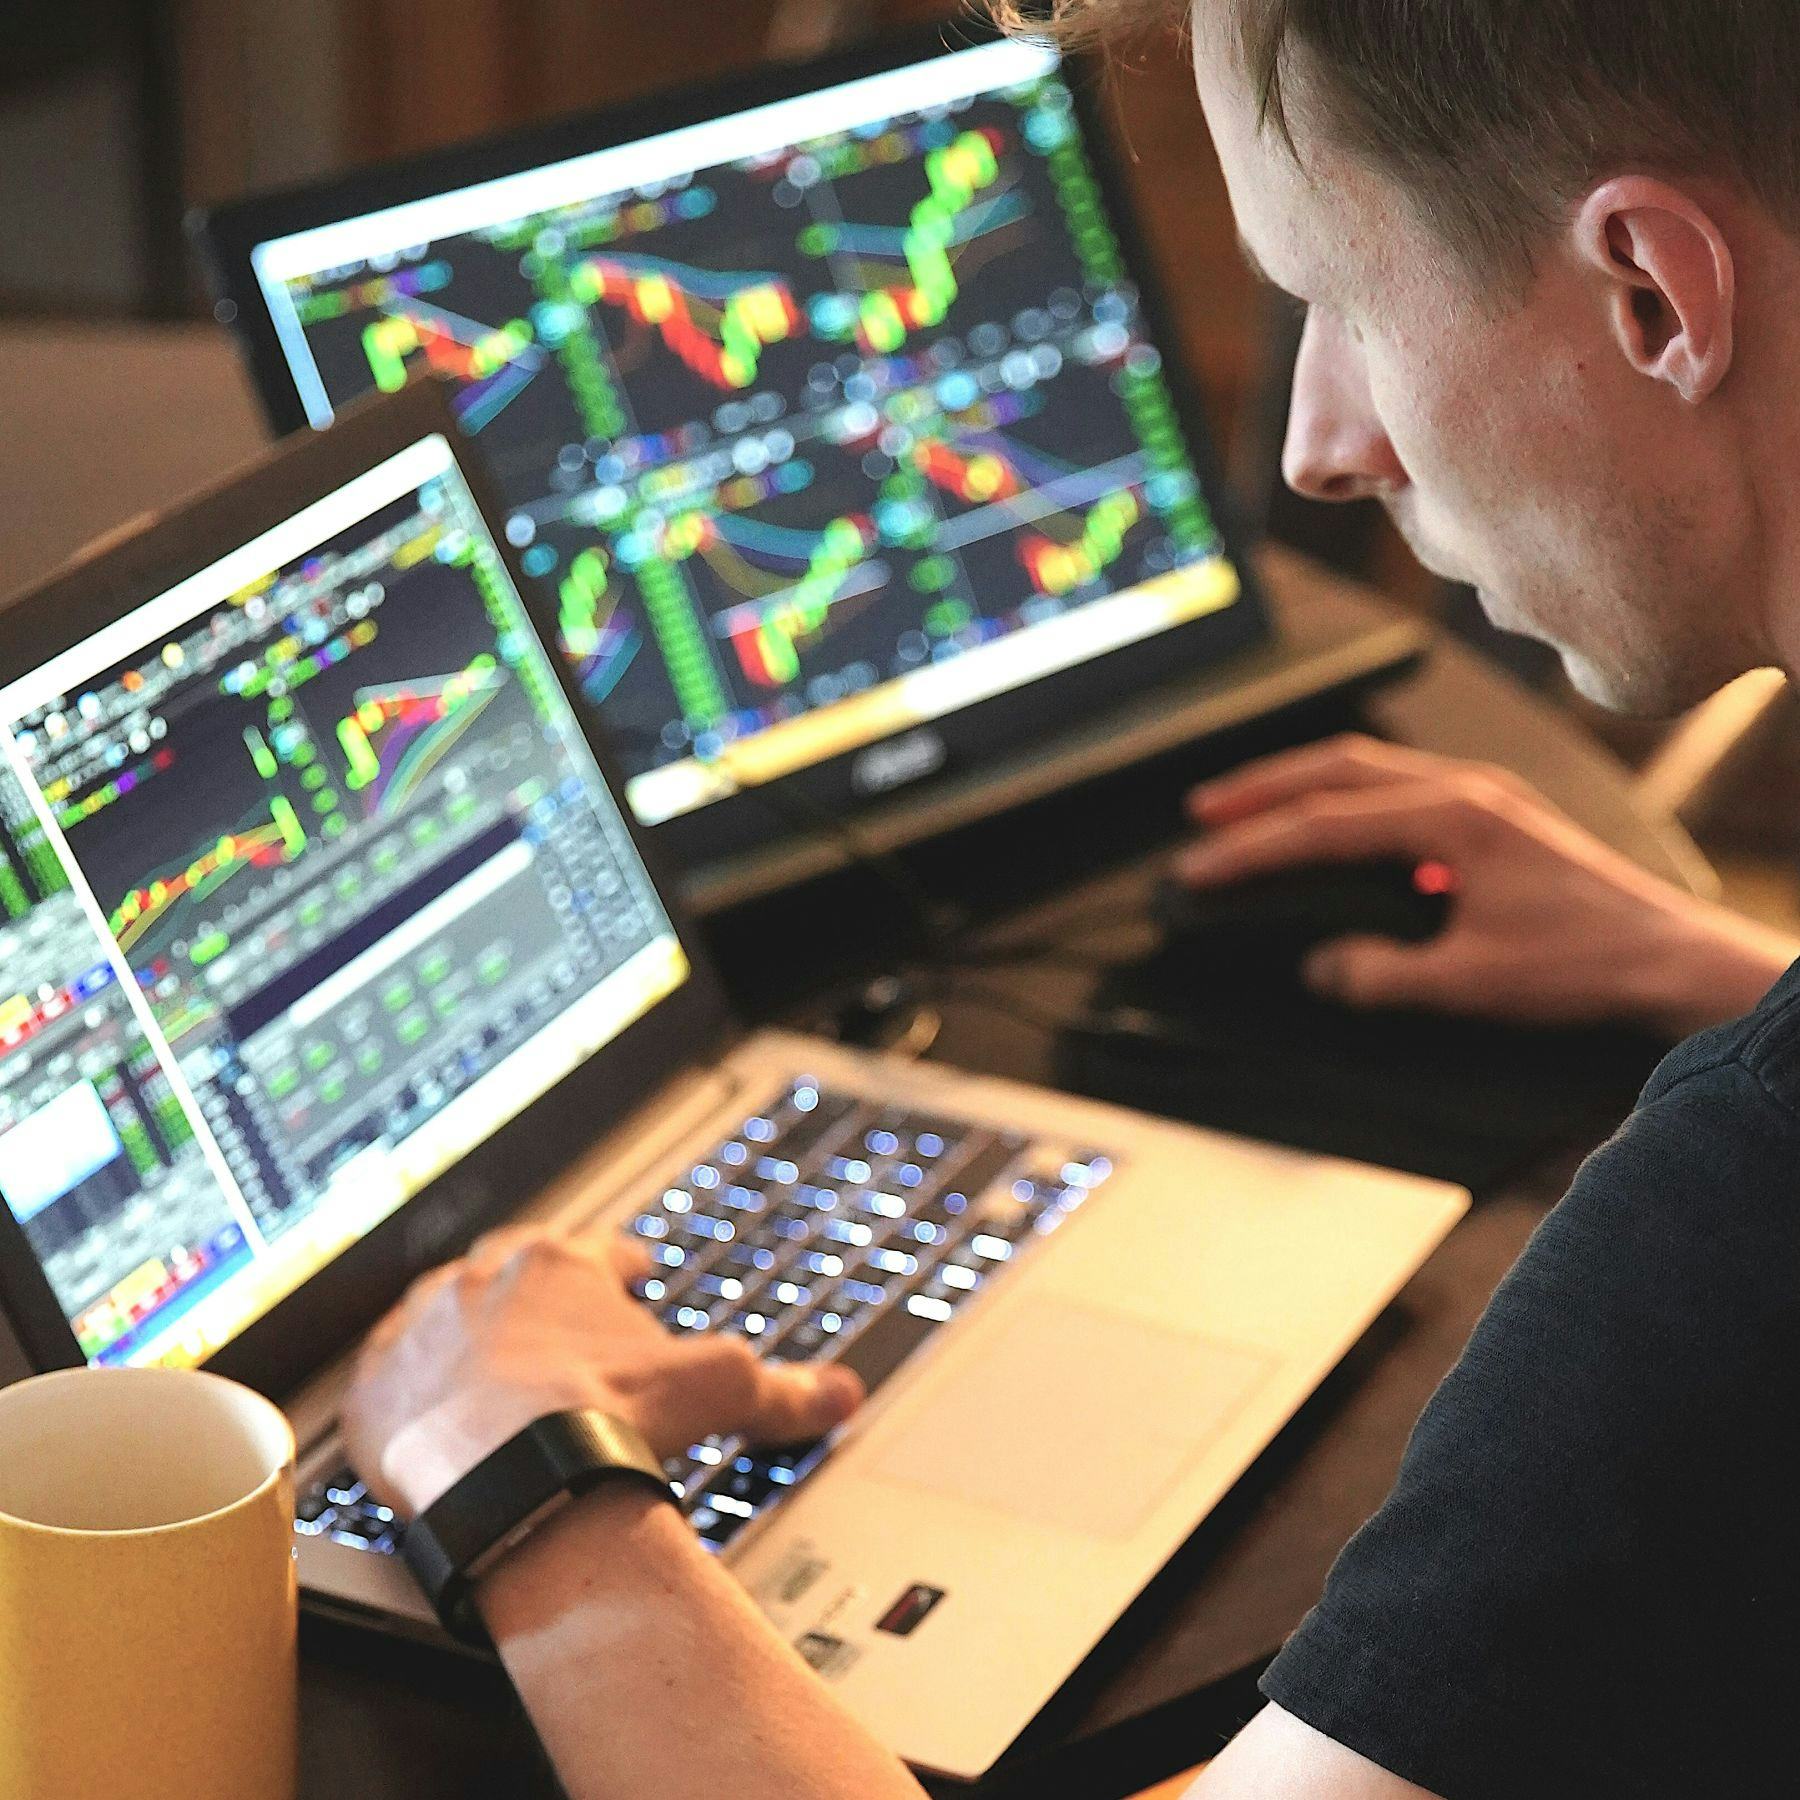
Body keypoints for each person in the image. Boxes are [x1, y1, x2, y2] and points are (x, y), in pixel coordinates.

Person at [340, 1, 1800, 1792]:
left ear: (1654, 292)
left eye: (1336, 292)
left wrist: (529, 1489)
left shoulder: (1731, 1233)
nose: (1321, 448)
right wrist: (1720, 963)